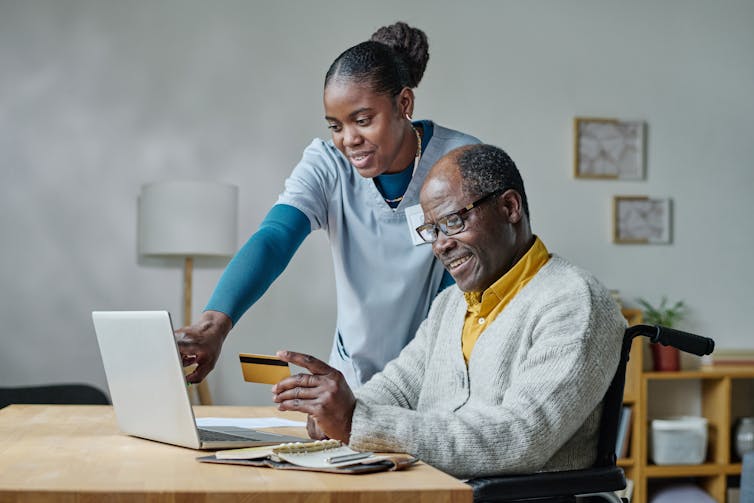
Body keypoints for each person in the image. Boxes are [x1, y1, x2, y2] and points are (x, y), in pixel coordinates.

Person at [271, 144, 626, 479]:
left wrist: (356, 421)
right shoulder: (451, 304)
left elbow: (520, 438)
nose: (440, 244)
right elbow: (399, 388)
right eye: (432, 229)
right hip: (434, 490)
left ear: (509, 208)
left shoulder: (574, 301)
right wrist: (337, 409)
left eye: (454, 222)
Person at [176, 22, 480, 388]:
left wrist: (372, 409)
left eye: (363, 120)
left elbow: (462, 295)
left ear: (404, 104)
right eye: (335, 126)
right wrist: (213, 326)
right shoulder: (327, 164)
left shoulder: (459, 163)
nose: (349, 140)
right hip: (350, 380)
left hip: (434, 378)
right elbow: (274, 238)